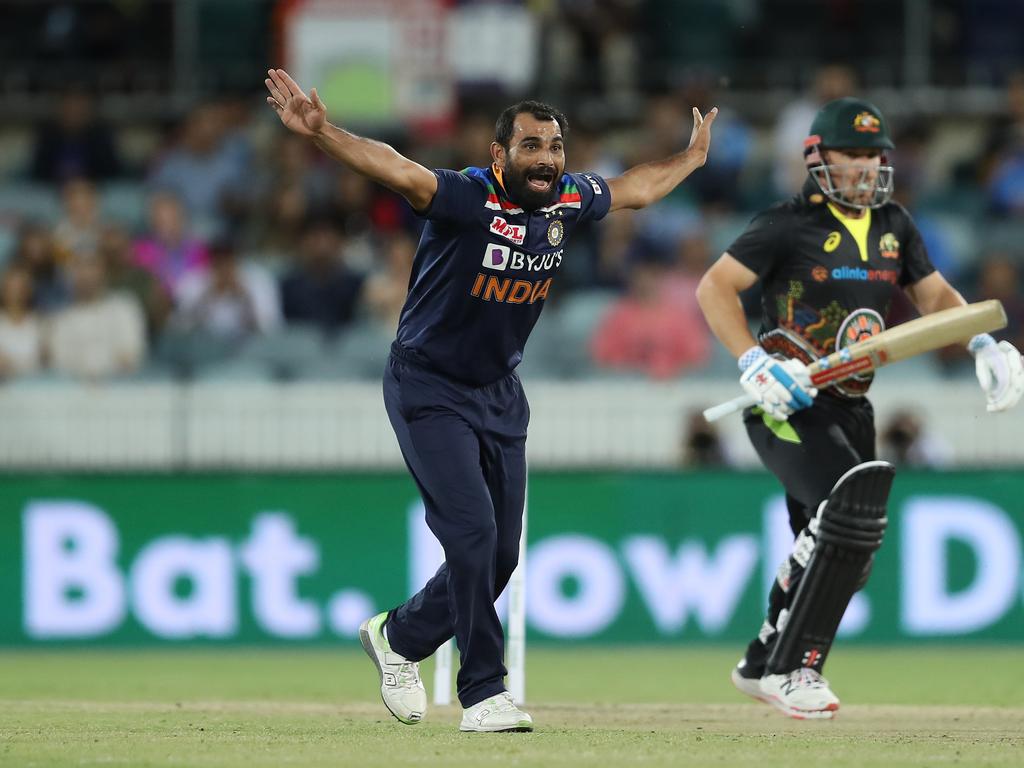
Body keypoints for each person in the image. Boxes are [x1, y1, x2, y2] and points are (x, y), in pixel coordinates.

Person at [265, 67, 716, 732]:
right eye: (532, 147)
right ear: (498, 156)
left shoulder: (567, 200)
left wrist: (693, 157)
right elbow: (394, 168)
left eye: (556, 147)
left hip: (500, 391)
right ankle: (484, 693)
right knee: (472, 535)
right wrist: (322, 132)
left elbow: (637, 189)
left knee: (500, 556)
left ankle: (400, 638)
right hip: (428, 384)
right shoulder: (463, 197)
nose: (547, 160)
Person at [695, 97, 1024, 720]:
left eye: (876, 156)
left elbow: (933, 296)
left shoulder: (895, 225)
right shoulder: (786, 224)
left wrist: (980, 338)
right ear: (818, 158)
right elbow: (714, 287)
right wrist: (752, 362)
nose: (868, 167)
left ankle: (761, 658)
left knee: (844, 551)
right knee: (844, 515)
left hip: (851, 405)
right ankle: (794, 670)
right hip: (783, 402)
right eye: (854, 154)